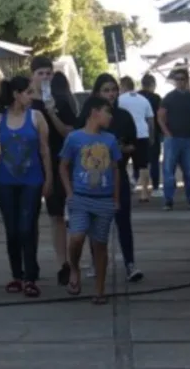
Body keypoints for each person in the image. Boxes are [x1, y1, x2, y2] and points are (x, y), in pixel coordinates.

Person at [0, 75, 52, 297]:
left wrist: (49, 179)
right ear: (16, 94)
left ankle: (30, 276)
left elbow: (45, 150)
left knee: (27, 227)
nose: (32, 96)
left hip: (32, 181)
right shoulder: (0, 119)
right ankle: (16, 274)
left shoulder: (36, 117)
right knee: (12, 230)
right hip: (5, 182)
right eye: (28, 92)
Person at [60, 95, 121, 304]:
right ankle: (74, 267)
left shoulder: (110, 140)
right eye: (107, 111)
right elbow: (63, 165)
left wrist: (116, 198)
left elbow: (115, 170)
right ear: (95, 112)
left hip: (104, 199)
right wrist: (69, 193)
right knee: (77, 237)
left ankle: (100, 289)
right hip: (80, 198)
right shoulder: (75, 138)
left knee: (100, 244)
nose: (110, 116)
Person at [87, 73, 142, 282]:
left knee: (123, 221)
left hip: (118, 175)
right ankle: (95, 261)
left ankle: (130, 263)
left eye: (113, 90)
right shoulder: (90, 116)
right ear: (97, 93)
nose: (111, 94)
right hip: (94, 177)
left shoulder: (124, 116)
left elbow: (134, 144)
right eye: (106, 90)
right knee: (96, 222)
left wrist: (122, 149)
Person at [29, 58, 78, 286]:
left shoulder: (60, 101)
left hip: (58, 160)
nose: (46, 78)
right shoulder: (26, 101)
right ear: (33, 75)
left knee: (57, 214)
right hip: (31, 163)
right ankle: (29, 265)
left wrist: (52, 111)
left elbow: (68, 132)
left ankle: (64, 264)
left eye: (49, 73)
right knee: (29, 218)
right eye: (41, 73)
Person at [156, 68, 190, 210]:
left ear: (187, 80)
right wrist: (167, 133)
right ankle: (168, 200)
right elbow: (160, 117)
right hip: (173, 139)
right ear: (174, 81)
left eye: (182, 79)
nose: (180, 81)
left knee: (189, 170)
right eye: (177, 79)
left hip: (187, 138)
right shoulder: (169, 97)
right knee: (169, 171)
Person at [118, 76, 154, 204]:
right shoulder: (143, 100)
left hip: (125, 136)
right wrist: (152, 136)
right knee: (143, 165)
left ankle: (123, 191)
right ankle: (144, 193)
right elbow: (150, 120)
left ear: (122, 86)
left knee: (121, 165)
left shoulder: (119, 100)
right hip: (142, 134)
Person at [137, 74, 163, 198]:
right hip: (153, 132)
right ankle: (156, 188)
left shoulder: (136, 97)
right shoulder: (156, 98)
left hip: (137, 133)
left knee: (140, 161)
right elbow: (159, 116)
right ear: (152, 85)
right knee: (154, 161)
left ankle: (137, 183)